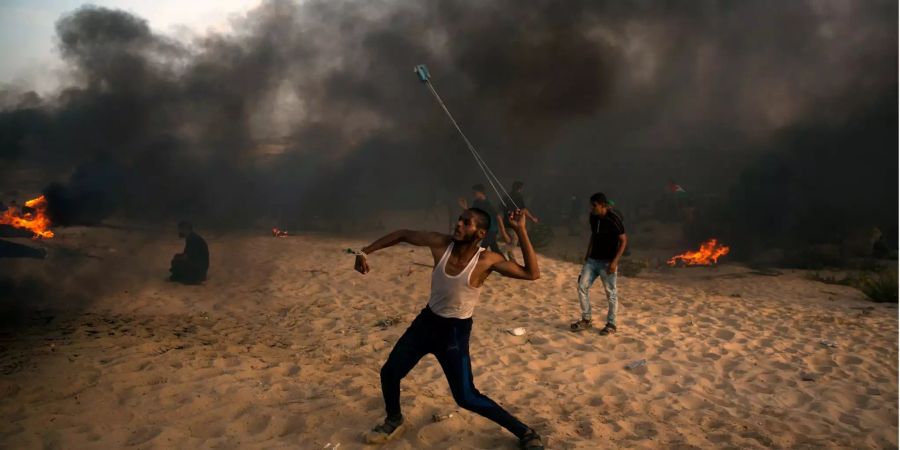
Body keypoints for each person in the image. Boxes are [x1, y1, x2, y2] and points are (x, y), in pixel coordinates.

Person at [354, 208, 545, 449]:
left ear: (481, 232)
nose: (458, 225)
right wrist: (364, 251)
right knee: (389, 373)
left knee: (466, 397)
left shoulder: (486, 260)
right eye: (459, 220)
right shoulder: (440, 243)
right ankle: (394, 419)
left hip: (454, 333)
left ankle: (525, 432)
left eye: (466, 223)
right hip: (425, 323)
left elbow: (532, 274)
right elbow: (403, 234)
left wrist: (521, 231)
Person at [570, 193, 627, 335]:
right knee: (582, 286)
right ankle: (586, 319)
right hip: (592, 260)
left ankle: (611, 324)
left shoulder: (613, 219)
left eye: (594, 205)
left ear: (603, 205)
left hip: (608, 262)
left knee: (611, 293)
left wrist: (615, 262)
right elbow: (593, 235)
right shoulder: (593, 217)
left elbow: (623, 240)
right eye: (591, 205)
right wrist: (587, 256)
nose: (592, 208)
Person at [500, 181, 538, 262]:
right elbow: (523, 209)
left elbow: (501, 207)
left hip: (506, 221)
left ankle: (513, 262)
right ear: (520, 188)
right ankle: (499, 251)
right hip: (513, 222)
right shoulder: (518, 196)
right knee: (513, 242)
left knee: (511, 241)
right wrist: (532, 218)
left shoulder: (507, 196)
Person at [458, 184, 502, 253]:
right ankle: (503, 261)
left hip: (491, 229)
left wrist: (503, 231)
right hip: (484, 229)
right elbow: (473, 214)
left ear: (481, 192)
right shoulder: (476, 202)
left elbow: (498, 216)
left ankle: (477, 261)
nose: (473, 194)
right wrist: (465, 207)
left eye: (474, 193)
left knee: (482, 248)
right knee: (494, 248)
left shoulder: (488, 203)